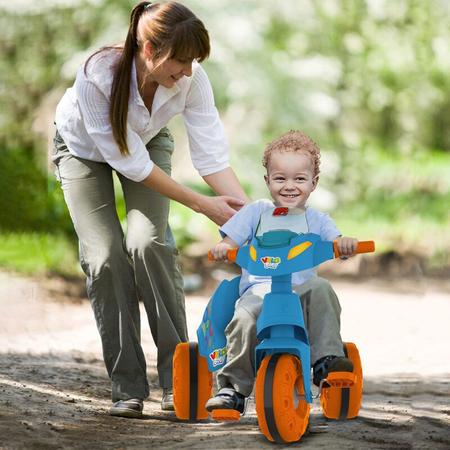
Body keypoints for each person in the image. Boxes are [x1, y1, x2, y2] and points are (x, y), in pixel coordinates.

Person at [52, 1, 248, 418]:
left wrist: (250, 216)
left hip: (147, 142)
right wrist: (200, 204)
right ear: (148, 48)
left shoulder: (192, 82)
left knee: (148, 242)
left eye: (194, 60)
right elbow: (129, 163)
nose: (189, 70)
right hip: (83, 151)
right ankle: (128, 387)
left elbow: (211, 157)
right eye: (181, 60)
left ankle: (180, 380)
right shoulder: (97, 77)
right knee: (105, 256)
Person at [205, 130, 357, 413]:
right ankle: (232, 388)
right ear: (267, 180)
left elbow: (336, 244)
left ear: (314, 182)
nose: (290, 186)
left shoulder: (316, 219)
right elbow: (231, 239)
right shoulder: (256, 212)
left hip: (299, 294)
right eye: (280, 178)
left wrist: (344, 245)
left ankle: (327, 360)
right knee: (243, 318)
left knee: (321, 288)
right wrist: (223, 247)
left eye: (299, 179)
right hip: (260, 293)